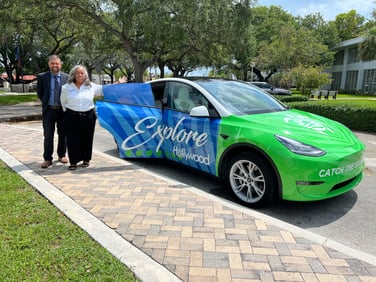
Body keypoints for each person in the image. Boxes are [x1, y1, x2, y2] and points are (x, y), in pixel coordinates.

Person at [60, 65, 102, 170]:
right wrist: (69, 112)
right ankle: (73, 161)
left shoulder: (91, 86)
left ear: (85, 75)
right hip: (71, 115)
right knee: (72, 139)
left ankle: (86, 159)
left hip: (88, 115)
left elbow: (105, 90)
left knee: (87, 138)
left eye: (82, 73)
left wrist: (118, 84)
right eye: (77, 73)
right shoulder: (66, 87)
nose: (80, 75)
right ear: (73, 74)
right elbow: (63, 102)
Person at [37, 55, 69, 168]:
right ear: (49, 64)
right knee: (48, 135)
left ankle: (62, 155)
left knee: (63, 135)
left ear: (60, 64)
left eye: (57, 63)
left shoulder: (67, 77)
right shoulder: (42, 77)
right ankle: (47, 159)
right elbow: (40, 93)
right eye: (52, 63)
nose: (54, 65)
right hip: (49, 110)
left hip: (62, 111)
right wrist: (47, 103)